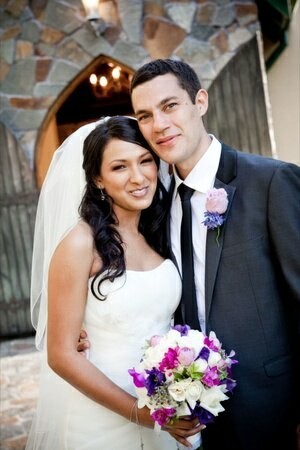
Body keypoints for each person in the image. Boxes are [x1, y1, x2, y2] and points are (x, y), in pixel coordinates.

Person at [79, 60, 300, 450]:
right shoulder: (155, 206)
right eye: (145, 115)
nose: (159, 125)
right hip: (192, 419)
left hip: (272, 409)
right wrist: (87, 327)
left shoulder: (270, 182)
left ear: (200, 101)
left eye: (170, 106)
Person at [26, 116, 203, 450]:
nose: (138, 177)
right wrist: (143, 414)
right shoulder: (81, 242)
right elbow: (61, 355)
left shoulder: (160, 231)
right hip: (103, 419)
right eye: (120, 167)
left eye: (145, 161)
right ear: (98, 179)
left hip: (168, 409)